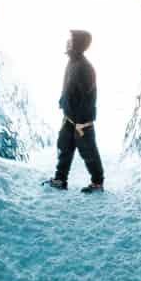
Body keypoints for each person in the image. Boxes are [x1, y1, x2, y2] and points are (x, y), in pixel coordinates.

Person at [49, 29, 104, 192]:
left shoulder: (85, 67)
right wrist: (63, 103)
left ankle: (97, 183)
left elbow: (88, 98)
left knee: (89, 152)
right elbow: (68, 87)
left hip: (81, 121)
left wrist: (82, 122)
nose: (67, 42)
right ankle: (60, 180)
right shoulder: (72, 62)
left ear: (78, 44)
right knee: (64, 147)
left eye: (71, 40)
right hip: (69, 116)